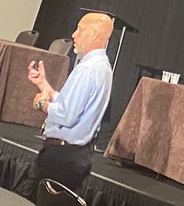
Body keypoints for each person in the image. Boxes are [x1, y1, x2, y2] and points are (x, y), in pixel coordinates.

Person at [19, 12, 114, 200]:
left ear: (94, 34)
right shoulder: (102, 67)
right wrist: (44, 85)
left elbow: (67, 115)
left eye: (80, 29)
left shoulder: (87, 69)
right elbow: (74, 105)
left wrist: (41, 103)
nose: (74, 34)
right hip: (76, 155)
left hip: (61, 157)